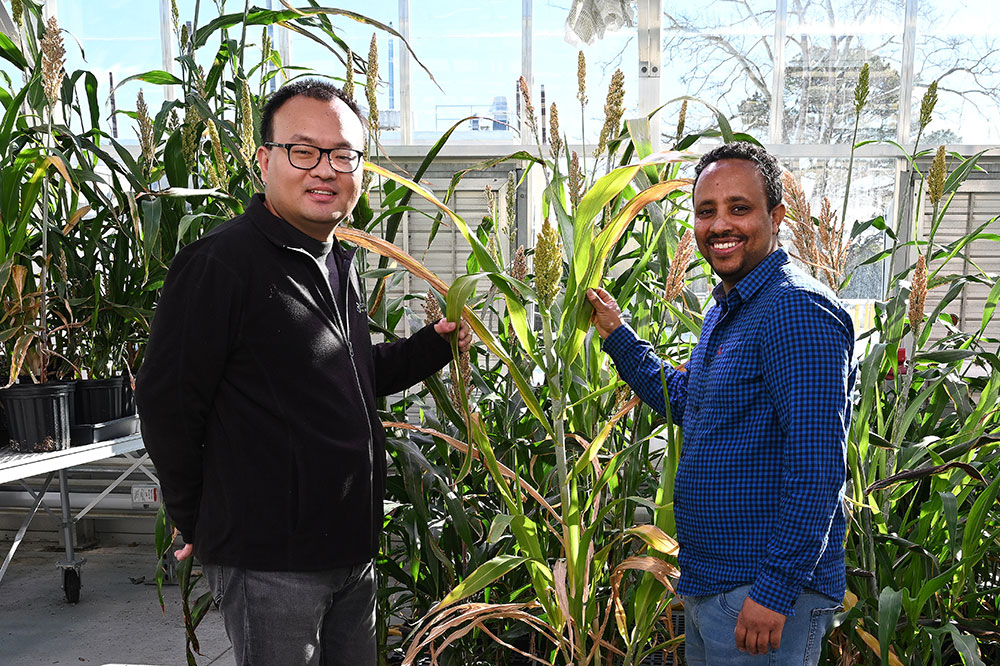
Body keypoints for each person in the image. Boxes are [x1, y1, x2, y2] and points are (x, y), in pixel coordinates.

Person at [136, 79, 470, 666]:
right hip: (271, 561)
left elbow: (345, 375)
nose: (325, 169)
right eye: (304, 151)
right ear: (265, 160)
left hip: (350, 551)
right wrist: (195, 518)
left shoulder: (334, 260)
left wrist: (428, 348)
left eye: (343, 155)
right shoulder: (221, 264)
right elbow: (167, 402)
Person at [586, 142, 855, 665]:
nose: (719, 225)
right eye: (706, 211)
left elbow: (818, 468)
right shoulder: (729, 310)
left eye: (739, 208)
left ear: (776, 217)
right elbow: (690, 404)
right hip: (717, 585)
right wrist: (619, 336)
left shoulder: (795, 310)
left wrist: (774, 591)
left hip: (763, 596)